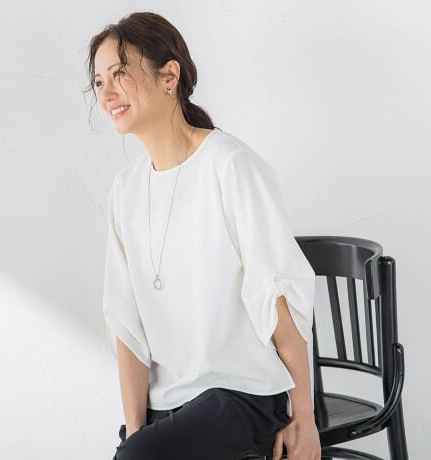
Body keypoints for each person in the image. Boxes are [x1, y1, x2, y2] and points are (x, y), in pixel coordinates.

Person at [87, 11, 322, 460]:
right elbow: (126, 327)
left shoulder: (231, 167)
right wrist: (135, 435)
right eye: (99, 81)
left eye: (119, 73)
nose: (107, 93)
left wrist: (305, 419)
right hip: (171, 400)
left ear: (169, 75)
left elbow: (277, 300)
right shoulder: (126, 191)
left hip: (242, 393)